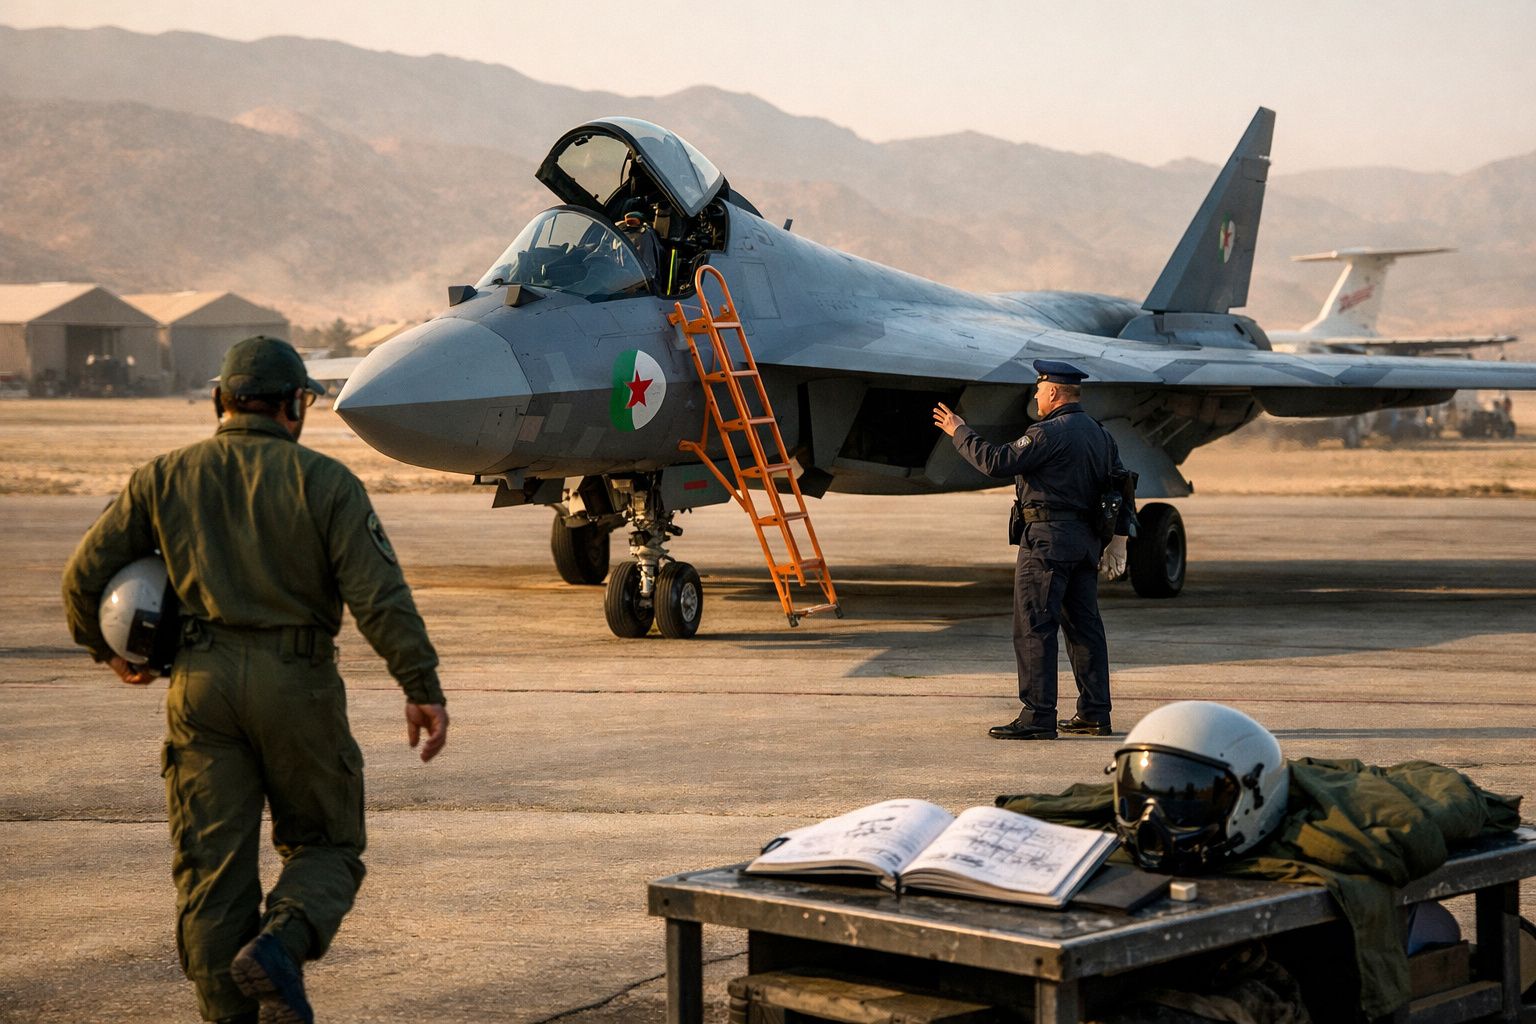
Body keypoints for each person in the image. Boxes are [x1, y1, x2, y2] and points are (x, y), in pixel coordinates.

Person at [61, 336, 450, 1024]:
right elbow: (379, 597)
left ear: (220, 401)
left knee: (212, 876)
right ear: (295, 408)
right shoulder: (327, 484)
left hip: (200, 687)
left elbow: (82, 578)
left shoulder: (163, 477)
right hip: (298, 682)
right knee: (329, 844)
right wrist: (420, 685)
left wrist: (111, 652)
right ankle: (281, 945)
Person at [932, 359, 1131, 740]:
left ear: (1053, 392)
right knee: (1085, 631)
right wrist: (1119, 538)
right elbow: (1122, 487)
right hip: (1085, 543)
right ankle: (1094, 714)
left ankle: (1038, 716)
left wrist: (959, 432)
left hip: (1047, 542)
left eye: (1039, 390)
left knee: (1035, 627)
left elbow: (996, 462)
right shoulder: (1101, 435)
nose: (1036, 396)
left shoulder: (1047, 433)